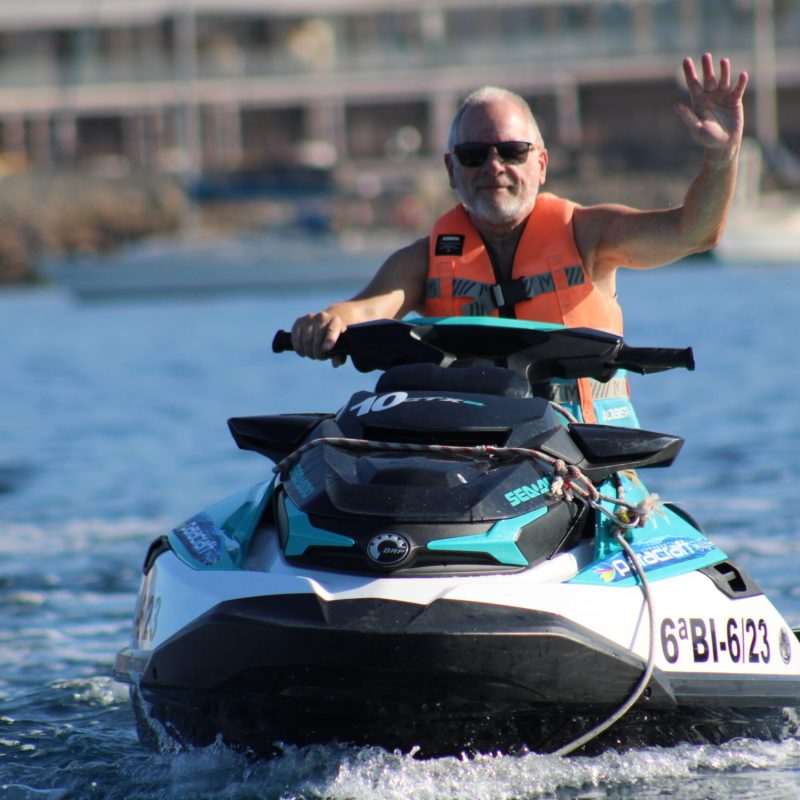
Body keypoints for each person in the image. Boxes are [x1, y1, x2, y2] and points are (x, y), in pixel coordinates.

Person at [290, 53, 748, 424]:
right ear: (451, 170)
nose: (494, 167)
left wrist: (723, 155)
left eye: (512, 152)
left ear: (541, 164)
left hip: (588, 457)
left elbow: (694, 232)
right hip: (482, 459)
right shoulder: (424, 261)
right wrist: (330, 320)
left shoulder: (588, 235)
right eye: (474, 155)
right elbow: (367, 309)